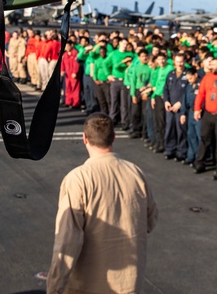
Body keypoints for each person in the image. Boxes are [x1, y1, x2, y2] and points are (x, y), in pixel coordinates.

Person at [47, 113, 158, 294]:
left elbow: (67, 240)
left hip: (90, 285)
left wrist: (54, 286)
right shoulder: (136, 172)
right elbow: (151, 220)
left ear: (85, 138)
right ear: (113, 137)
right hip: (131, 284)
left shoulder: (78, 178)